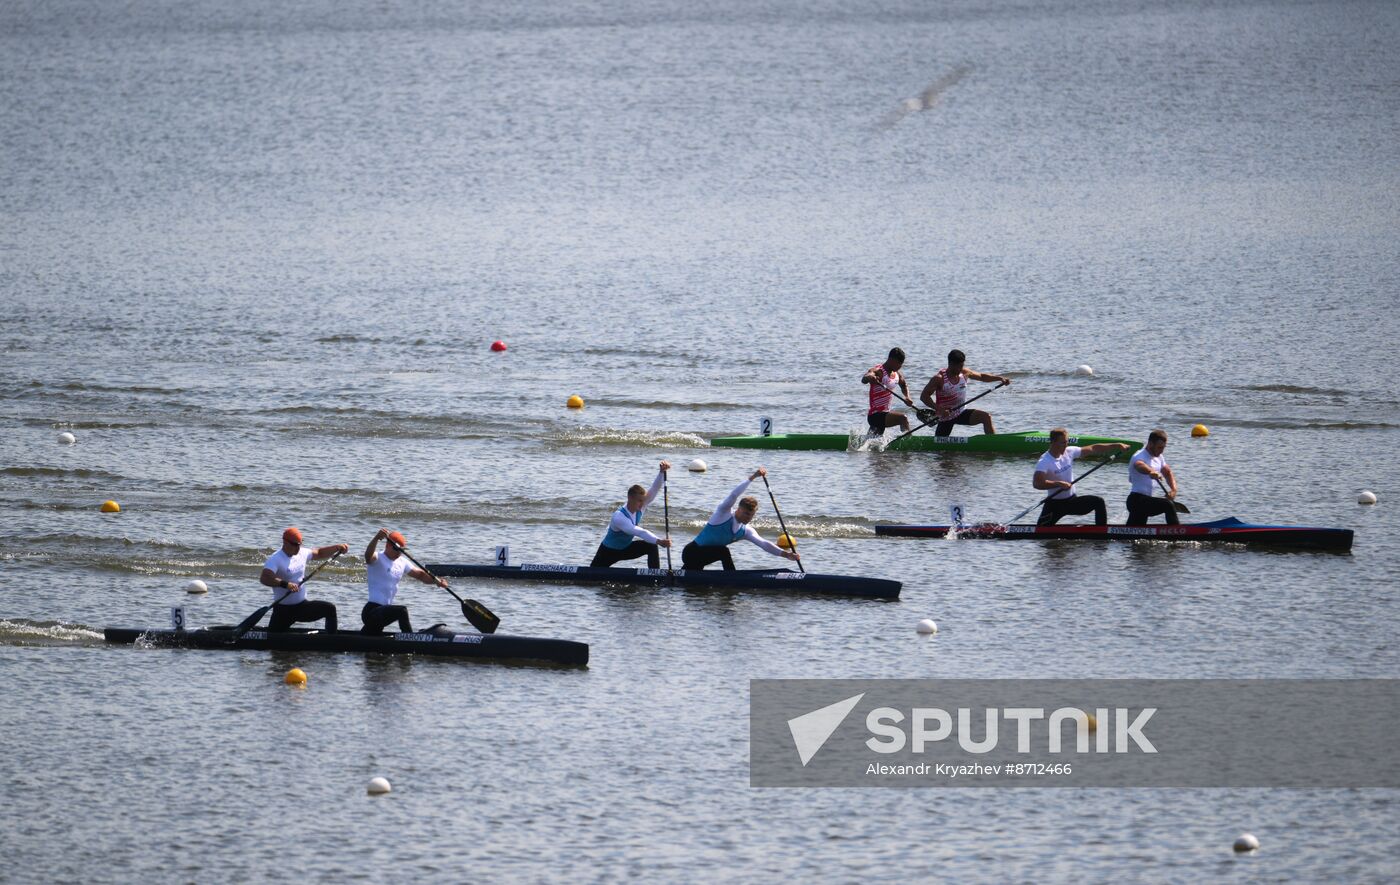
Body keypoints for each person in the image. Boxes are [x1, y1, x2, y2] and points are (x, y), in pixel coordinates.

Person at [681, 467, 803, 570]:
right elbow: (733, 494)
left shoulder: (746, 531)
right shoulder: (723, 513)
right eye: (745, 514)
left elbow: (764, 544)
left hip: (704, 558)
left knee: (696, 578)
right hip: (691, 552)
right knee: (724, 551)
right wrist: (752, 477)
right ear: (738, 509)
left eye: (751, 515)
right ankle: (731, 580)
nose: (748, 518)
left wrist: (786, 555)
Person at [1032, 430, 1131, 525]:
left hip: (1071, 501)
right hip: (1054, 504)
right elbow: (1037, 483)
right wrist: (1058, 484)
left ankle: (1101, 534)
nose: (1066, 445)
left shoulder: (1069, 452)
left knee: (1098, 502)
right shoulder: (1044, 461)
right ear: (1053, 442)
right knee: (1038, 533)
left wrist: (1117, 445)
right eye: (1062, 443)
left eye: (1067, 442)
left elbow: (1094, 448)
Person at [260, 527, 348, 632]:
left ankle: (331, 641)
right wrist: (286, 584)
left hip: (302, 607)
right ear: (285, 542)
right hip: (283, 611)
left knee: (330, 609)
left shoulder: (302, 552)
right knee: (273, 641)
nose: (298, 548)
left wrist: (336, 548)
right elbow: (264, 578)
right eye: (295, 545)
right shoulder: (275, 559)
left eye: (300, 544)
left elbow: (319, 553)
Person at [361, 528, 448, 634]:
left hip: (384, 613)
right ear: (388, 546)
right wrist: (376, 538)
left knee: (370, 636)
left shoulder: (402, 562)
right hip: (372, 611)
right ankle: (410, 638)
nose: (399, 553)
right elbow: (367, 556)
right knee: (402, 611)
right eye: (397, 549)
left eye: (402, 550)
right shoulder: (378, 557)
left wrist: (436, 581)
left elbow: (420, 575)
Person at [590, 461, 673, 568]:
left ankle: (655, 575)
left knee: (651, 546)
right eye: (639, 501)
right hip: (608, 551)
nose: (642, 504)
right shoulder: (619, 517)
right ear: (630, 498)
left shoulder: (640, 506)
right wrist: (660, 541)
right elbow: (640, 532)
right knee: (590, 580)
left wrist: (662, 472)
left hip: (626, 548)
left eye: (643, 501)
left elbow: (654, 490)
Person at [918, 349, 1011, 436]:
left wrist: (1000, 378)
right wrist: (939, 409)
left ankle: (993, 443)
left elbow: (982, 376)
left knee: (986, 417)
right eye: (959, 366)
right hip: (946, 416)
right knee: (940, 449)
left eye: (962, 365)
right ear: (951, 364)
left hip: (961, 412)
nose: (961, 368)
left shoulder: (964, 372)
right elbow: (924, 396)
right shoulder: (939, 379)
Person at [1126, 429, 1180, 526]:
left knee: (1134, 531)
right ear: (1150, 443)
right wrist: (1151, 471)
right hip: (1136, 501)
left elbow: (1167, 472)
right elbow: (1139, 465)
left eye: (1163, 447)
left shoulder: (1159, 457)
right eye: (1159, 447)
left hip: (1146, 502)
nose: (1162, 450)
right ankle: (1178, 532)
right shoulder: (1138, 456)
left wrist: (1173, 490)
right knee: (1168, 504)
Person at [861, 347, 912, 434]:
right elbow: (864, 378)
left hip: (885, 414)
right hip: (875, 415)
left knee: (871, 443)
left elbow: (904, 385)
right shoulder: (879, 370)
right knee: (903, 418)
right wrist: (871, 377)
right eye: (899, 363)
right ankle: (909, 444)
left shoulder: (896, 374)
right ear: (891, 360)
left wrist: (907, 397)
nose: (900, 366)